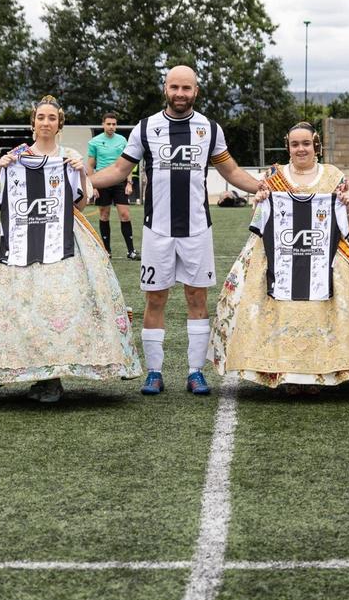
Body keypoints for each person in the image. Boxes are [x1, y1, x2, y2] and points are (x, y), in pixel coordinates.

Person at [88, 65, 263, 397]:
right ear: (165, 88)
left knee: (197, 298)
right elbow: (119, 170)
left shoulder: (210, 129)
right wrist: (81, 181)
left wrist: (265, 187)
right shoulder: (146, 128)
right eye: (174, 87)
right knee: (155, 299)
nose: (180, 94)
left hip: (197, 229)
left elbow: (232, 171)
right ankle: (154, 372)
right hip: (158, 231)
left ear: (196, 91)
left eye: (186, 88)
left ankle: (195, 372)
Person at [212, 122, 349, 393]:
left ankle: (323, 371)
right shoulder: (273, 176)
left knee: (326, 309)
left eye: (306, 144)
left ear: (316, 145)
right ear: (288, 146)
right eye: (295, 144)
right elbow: (261, 220)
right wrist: (260, 199)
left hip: (330, 254)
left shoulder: (333, 175)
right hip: (280, 255)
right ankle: (286, 373)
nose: (301, 149)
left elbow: (348, 222)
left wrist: (347, 207)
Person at [0, 96, 141, 402]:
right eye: (41, 117)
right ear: (33, 122)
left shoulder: (69, 157)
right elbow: (1, 203)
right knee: (22, 305)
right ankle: (25, 371)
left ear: (59, 124)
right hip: (19, 238)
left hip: (64, 235)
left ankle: (54, 376)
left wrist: (80, 173)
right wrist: (2, 169)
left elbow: (78, 204)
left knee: (64, 303)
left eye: (52, 118)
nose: (46, 123)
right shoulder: (16, 156)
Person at [87, 112, 138, 260]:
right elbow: (90, 165)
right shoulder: (94, 142)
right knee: (104, 215)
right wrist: (93, 185)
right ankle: (107, 251)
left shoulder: (122, 140)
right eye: (108, 124)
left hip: (120, 182)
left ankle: (131, 251)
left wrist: (129, 182)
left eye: (114, 124)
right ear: (103, 124)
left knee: (125, 214)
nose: (111, 127)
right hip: (102, 181)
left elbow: (128, 163)